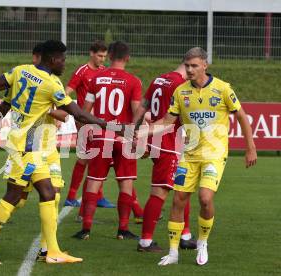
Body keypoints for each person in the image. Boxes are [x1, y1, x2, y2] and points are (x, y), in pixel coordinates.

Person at [0, 40, 129, 265]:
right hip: (25, 147)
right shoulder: (51, 84)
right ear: (53, 60)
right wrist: (113, 126)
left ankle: (51, 251)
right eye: (63, 59)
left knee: (48, 193)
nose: (65, 63)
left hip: (29, 145)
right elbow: (79, 115)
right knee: (15, 196)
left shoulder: (20, 71)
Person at [136, 47, 257, 266]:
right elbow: (166, 121)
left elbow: (241, 115)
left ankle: (202, 242)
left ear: (204, 65)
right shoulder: (180, 91)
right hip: (188, 155)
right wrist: (142, 131)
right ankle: (173, 253)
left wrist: (251, 147)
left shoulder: (222, 89)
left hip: (214, 154)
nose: (190, 70)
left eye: (194, 65)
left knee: (205, 198)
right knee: (178, 200)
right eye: (188, 65)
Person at [72, 41, 142, 240]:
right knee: (126, 183)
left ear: (109, 56)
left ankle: (86, 229)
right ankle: (123, 230)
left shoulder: (96, 78)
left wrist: (85, 131)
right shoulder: (133, 81)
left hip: (101, 136)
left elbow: (84, 112)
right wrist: (136, 135)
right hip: (123, 136)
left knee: (94, 181)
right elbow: (137, 111)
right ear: (127, 58)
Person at [132, 63, 197, 252]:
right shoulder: (181, 85)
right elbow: (183, 115)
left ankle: (184, 235)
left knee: (183, 187)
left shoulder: (159, 79)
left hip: (156, 138)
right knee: (160, 191)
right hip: (170, 143)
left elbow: (143, 106)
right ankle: (145, 241)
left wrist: (133, 130)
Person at [63, 41, 115, 209]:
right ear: (91, 53)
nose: (102, 59)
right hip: (84, 121)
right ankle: (76, 196)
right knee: (88, 157)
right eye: (100, 55)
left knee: (94, 158)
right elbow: (67, 92)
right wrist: (61, 111)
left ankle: (94, 196)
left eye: (104, 56)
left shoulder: (104, 72)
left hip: (99, 121)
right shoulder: (82, 71)